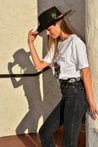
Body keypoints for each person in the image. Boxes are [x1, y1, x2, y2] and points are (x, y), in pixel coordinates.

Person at [28, 6, 98, 147]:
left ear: (58, 24)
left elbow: (85, 71)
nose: (47, 33)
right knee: (45, 132)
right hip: (66, 94)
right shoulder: (57, 45)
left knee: (69, 142)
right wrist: (30, 43)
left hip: (77, 94)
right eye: (46, 30)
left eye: (49, 29)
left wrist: (90, 100)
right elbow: (39, 65)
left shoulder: (75, 42)